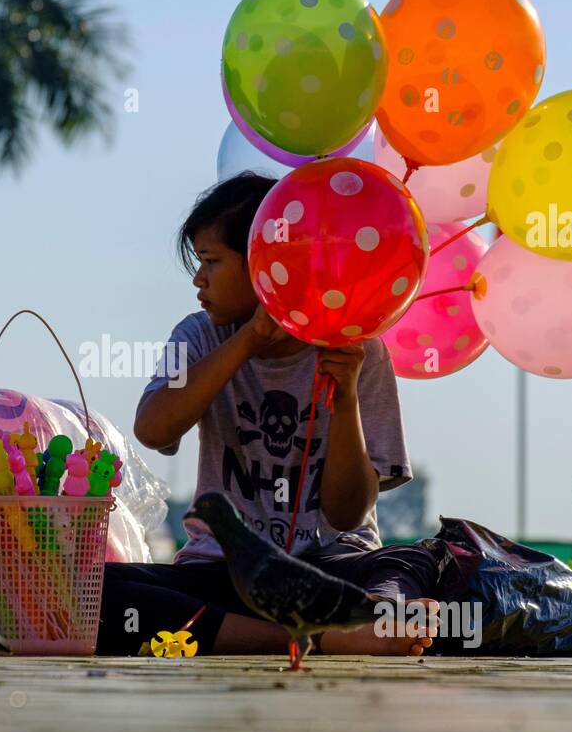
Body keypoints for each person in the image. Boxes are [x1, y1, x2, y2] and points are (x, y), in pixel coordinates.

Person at [95, 173, 440, 658]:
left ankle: (357, 621)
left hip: (332, 572)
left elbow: (346, 513)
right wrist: (249, 340)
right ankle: (330, 637)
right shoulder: (194, 337)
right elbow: (153, 428)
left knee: (410, 563)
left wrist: (344, 399)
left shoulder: (362, 349)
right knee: (103, 592)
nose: (199, 280)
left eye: (212, 262)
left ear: (267, 262)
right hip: (224, 576)